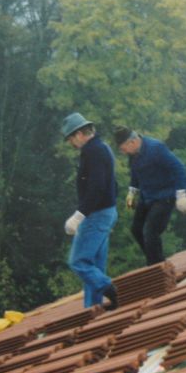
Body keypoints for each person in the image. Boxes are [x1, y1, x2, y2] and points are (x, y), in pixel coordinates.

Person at [61, 113, 118, 310]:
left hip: (97, 214)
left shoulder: (92, 152)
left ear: (79, 134)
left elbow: (96, 188)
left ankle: (110, 289)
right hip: (105, 212)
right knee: (94, 264)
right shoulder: (102, 148)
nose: (71, 143)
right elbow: (112, 185)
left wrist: (79, 216)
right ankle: (94, 310)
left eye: (70, 138)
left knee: (79, 262)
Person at [114, 126, 186, 266]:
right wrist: (132, 193)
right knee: (136, 229)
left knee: (150, 232)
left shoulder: (156, 148)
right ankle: (157, 262)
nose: (123, 152)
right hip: (147, 197)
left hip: (164, 196)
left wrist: (181, 194)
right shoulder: (133, 155)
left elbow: (178, 167)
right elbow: (135, 173)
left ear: (132, 142)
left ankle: (156, 268)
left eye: (123, 149)